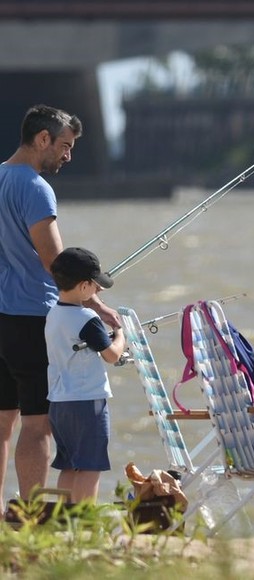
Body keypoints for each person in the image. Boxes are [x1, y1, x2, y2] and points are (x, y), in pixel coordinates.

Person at [0, 105, 120, 510]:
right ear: (42, 139)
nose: (68, 156)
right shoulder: (35, 187)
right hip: (31, 316)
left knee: (2, 422)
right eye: (65, 146)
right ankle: (33, 513)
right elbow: (56, 261)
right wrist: (97, 303)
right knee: (37, 423)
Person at [45, 247, 125, 502]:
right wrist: (121, 334)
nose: (97, 290)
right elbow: (112, 355)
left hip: (58, 403)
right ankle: (84, 520)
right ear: (83, 286)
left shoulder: (53, 314)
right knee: (91, 465)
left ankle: (64, 518)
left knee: (68, 465)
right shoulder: (87, 318)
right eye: (94, 285)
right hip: (87, 402)